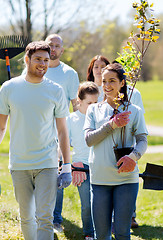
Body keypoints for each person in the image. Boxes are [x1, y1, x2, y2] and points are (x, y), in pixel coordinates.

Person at [0, 41, 72, 240]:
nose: (42, 64)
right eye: (38, 59)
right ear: (27, 60)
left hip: (47, 163)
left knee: (45, 217)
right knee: (26, 217)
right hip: (19, 163)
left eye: (46, 60)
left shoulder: (56, 90)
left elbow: (63, 131)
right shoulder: (9, 88)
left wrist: (66, 165)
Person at [84, 63, 148, 239]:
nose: (107, 85)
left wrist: (133, 157)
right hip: (99, 179)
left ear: (122, 83)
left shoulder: (134, 111)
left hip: (126, 179)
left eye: (112, 81)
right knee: (102, 235)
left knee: (122, 233)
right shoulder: (93, 110)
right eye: (104, 81)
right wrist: (111, 125)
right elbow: (89, 140)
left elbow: (142, 140)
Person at [44, 34, 80, 233]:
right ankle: (36, 214)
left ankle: (56, 219)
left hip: (59, 132)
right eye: (50, 45)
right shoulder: (36, 68)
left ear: (62, 50)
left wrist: (74, 133)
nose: (53, 49)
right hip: (37, 131)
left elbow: (75, 105)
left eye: (57, 46)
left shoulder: (69, 74)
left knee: (58, 174)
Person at [67, 82, 99, 240]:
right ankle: (89, 234)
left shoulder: (100, 118)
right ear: (79, 101)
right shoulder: (71, 119)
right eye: (89, 103)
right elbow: (63, 144)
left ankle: (103, 232)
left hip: (99, 165)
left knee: (100, 205)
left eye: (95, 103)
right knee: (87, 205)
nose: (93, 107)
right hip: (81, 167)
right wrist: (71, 165)